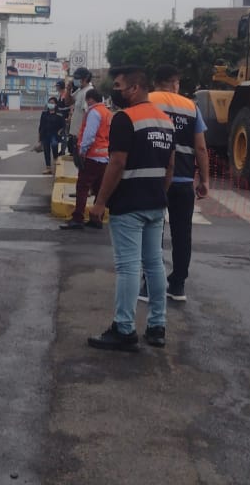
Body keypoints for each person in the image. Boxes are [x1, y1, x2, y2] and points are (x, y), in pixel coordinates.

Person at [86, 65, 176, 352]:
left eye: (119, 86)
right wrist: (158, 194)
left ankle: (124, 329)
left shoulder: (125, 118)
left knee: (128, 267)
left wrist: (100, 202)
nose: (116, 91)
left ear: (135, 88)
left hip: (129, 205)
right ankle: (157, 327)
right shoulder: (165, 121)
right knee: (154, 265)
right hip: (154, 204)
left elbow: (116, 163)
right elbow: (170, 167)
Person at [145, 64, 210, 303]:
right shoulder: (191, 107)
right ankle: (178, 285)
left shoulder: (147, 101)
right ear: (174, 83)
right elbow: (201, 147)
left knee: (153, 232)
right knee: (183, 235)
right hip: (183, 181)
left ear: (156, 82)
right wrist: (204, 180)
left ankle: (149, 284)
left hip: (153, 178)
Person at [60, 88, 111, 230]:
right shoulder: (107, 112)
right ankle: (96, 219)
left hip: (92, 155)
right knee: (98, 188)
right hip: (103, 156)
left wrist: (82, 151)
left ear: (90, 99)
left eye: (87, 101)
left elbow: (89, 135)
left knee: (82, 187)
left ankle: (78, 218)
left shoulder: (94, 112)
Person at [38, 97, 66, 174]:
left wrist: (60, 131)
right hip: (45, 134)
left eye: (52, 103)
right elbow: (41, 126)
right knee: (46, 150)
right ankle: (48, 168)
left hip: (55, 134)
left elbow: (63, 125)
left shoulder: (59, 114)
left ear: (56, 104)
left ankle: (55, 157)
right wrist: (39, 138)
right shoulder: (44, 113)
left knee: (54, 144)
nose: (51, 104)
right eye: (49, 102)